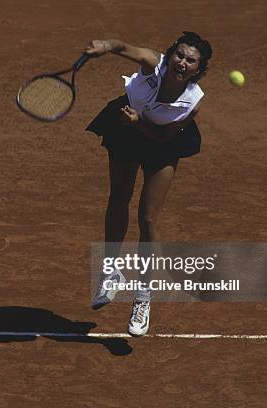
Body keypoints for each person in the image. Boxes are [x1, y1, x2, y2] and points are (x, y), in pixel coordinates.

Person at [85, 32, 213, 336]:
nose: (182, 62)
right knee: (118, 199)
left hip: (159, 140)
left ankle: (143, 296)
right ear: (170, 55)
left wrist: (139, 123)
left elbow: (165, 138)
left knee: (149, 218)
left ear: (198, 69)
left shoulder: (192, 102)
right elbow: (122, 46)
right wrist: (104, 46)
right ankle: (111, 272)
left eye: (190, 60)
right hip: (126, 128)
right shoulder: (151, 64)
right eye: (179, 55)